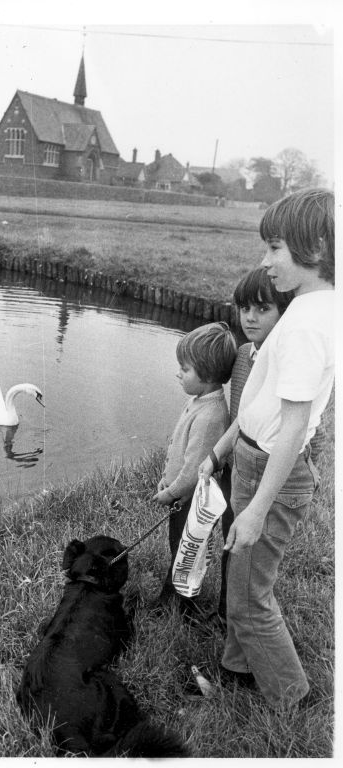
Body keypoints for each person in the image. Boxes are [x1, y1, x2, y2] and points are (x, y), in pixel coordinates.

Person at [199, 188, 334, 708]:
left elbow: (295, 428)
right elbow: (263, 404)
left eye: (274, 248)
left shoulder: (303, 325)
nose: (266, 261)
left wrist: (256, 508)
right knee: (240, 576)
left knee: (252, 597)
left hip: (271, 475)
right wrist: (225, 452)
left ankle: (290, 698)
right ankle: (236, 669)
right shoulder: (309, 309)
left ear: (316, 247)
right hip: (254, 460)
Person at [215, 268, 294, 625]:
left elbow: (303, 425)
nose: (249, 317)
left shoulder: (286, 360)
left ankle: (244, 616)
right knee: (228, 533)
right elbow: (240, 413)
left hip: (267, 467)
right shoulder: (244, 352)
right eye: (244, 308)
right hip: (236, 463)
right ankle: (225, 610)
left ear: (284, 312)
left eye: (263, 309)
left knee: (253, 547)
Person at [152, 321, 237, 615]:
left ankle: (181, 604)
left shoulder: (211, 415)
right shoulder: (198, 401)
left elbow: (193, 469)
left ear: (208, 374)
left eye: (185, 369)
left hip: (190, 502)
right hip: (181, 497)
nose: (178, 373)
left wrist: (172, 492)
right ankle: (172, 595)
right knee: (177, 546)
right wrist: (166, 479)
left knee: (186, 551)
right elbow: (179, 451)